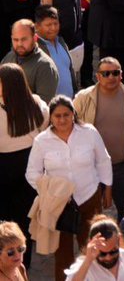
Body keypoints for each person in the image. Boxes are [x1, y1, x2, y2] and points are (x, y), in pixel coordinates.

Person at [26, 95, 112, 279]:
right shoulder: (42, 141)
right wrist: (51, 192)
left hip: (89, 197)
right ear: (51, 117)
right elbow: (32, 173)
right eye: (57, 116)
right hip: (59, 206)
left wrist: (108, 188)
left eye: (66, 114)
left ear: (73, 114)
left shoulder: (89, 132)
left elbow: (103, 161)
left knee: (93, 245)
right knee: (63, 253)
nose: (62, 119)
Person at [73, 55, 124, 219]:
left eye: (115, 73)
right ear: (98, 76)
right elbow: (72, 125)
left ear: (121, 75)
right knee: (90, 214)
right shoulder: (83, 97)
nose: (111, 77)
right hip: (91, 168)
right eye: (106, 73)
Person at [0, 64, 48, 257]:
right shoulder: (38, 105)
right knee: (24, 219)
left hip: (3, 168)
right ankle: (23, 261)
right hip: (30, 166)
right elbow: (45, 131)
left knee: (3, 220)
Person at [64, 217, 124, 281]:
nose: (108, 257)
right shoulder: (83, 266)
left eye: (113, 252)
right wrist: (88, 261)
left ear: (118, 239)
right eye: (102, 253)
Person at [3, 19, 59, 102]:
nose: (19, 44)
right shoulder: (9, 57)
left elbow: (43, 106)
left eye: (24, 39)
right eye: (15, 40)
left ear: (35, 38)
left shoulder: (45, 66)